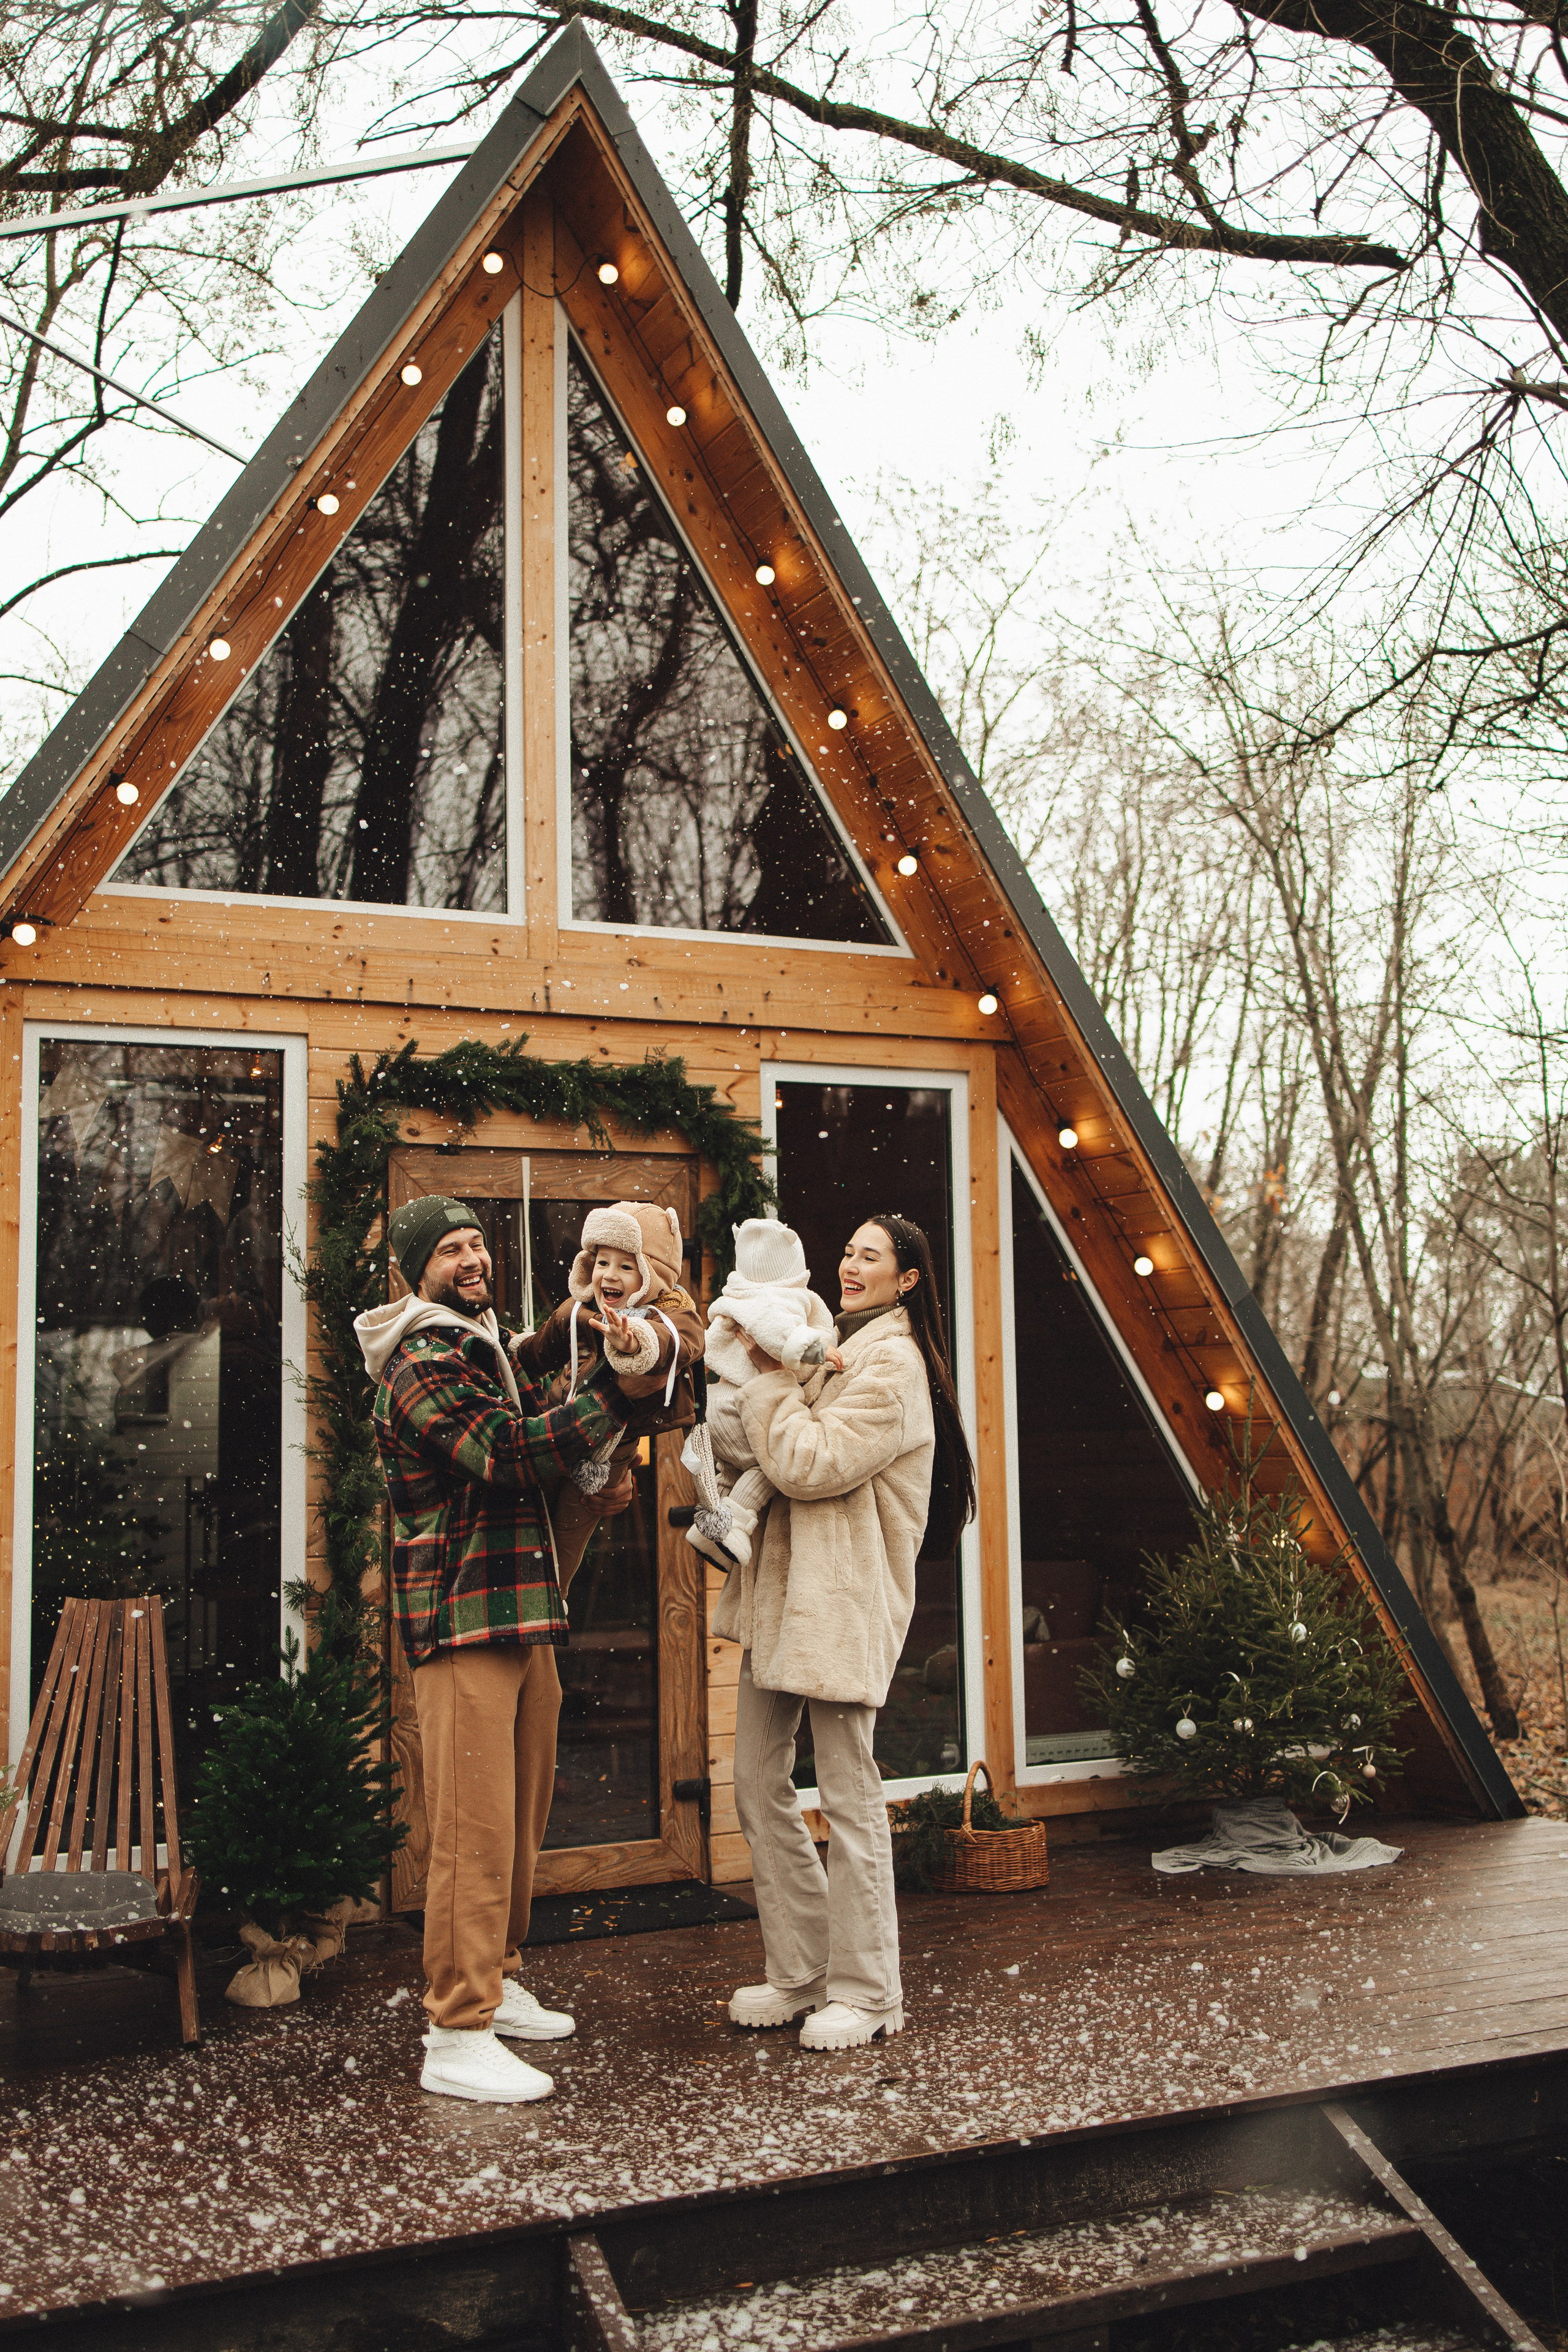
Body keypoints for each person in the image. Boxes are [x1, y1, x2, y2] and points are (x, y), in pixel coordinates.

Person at [354, 1196, 634, 2105]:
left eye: (476, 1242)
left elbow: (517, 1363)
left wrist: (574, 1322)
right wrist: (613, 1396)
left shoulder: (473, 1342)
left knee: (520, 1807)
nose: (470, 1257)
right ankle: (455, 2027)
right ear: (412, 1271)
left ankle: (499, 1975)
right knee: (472, 1829)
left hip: (519, 1609)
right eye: (448, 1248)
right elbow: (509, 1450)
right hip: (462, 1613)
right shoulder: (417, 1362)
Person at [714, 1212, 976, 2050]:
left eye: (871, 1255)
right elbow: (759, 1446)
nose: (850, 1262)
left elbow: (808, 1464)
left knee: (849, 1795)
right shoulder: (825, 1343)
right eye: (849, 1248)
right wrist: (745, 1378)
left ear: (907, 1280)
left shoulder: (893, 1365)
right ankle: (803, 1969)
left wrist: (765, 1386)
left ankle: (869, 1992)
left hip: (844, 1601)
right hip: (785, 1596)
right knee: (757, 1782)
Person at [514, 1200, 706, 1592]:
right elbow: (538, 1350)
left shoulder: (669, 1312)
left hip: (615, 1443)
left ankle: (555, 1596)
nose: (609, 1276)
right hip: (559, 1425)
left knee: (569, 1530)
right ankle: (534, 1590)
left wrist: (634, 1344)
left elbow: (677, 1342)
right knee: (537, 1517)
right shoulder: (578, 1312)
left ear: (651, 1276)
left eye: (626, 1266)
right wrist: (510, 1350)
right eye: (602, 1263)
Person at [683, 1215, 838, 1575]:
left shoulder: (738, 1295)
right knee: (769, 1464)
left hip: (719, 1403)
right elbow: (777, 1334)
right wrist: (818, 1350)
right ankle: (736, 1523)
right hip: (743, 1406)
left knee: (733, 1474)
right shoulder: (772, 1302)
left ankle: (712, 1531)